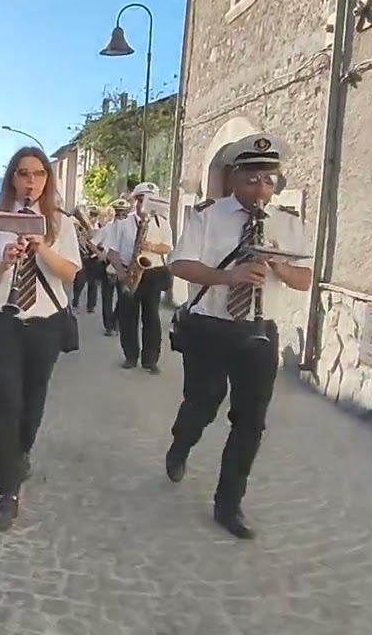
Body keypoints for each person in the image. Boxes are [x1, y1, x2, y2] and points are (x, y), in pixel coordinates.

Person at [163, 133, 311, 539]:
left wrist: (278, 264)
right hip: (211, 329)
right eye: (252, 180)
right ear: (235, 178)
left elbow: (304, 278)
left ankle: (229, 504)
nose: (261, 189)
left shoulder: (288, 224)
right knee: (203, 404)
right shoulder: (209, 217)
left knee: (250, 422)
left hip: (260, 332)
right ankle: (180, 446)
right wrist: (228, 277)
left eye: (269, 180)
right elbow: (180, 265)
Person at [0, 147, 82, 531]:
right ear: (12, 179)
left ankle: (22, 453)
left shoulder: (61, 224)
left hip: (45, 323)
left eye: (37, 173)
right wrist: (4, 260)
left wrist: (42, 250)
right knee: (7, 404)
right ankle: (8, 493)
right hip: (3, 321)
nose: (30, 181)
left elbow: (69, 274)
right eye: (22, 173)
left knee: (33, 403)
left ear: (46, 180)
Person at [105, 182, 174, 373]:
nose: (146, 204)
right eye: (142, 199)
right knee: (128, 317)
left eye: (150, 200)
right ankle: (130, 356)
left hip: (152, 273)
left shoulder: (162, 222)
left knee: (151, 316)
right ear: (136, 200)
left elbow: (168, 247)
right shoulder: (123, 223)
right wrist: (121, 273)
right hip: (129, 271)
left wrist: (149, 246)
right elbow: (112, 251)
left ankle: (150, 359)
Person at [91, 198, 133, 337]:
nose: (121, 216)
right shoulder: (106, 229)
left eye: (124, 213)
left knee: (123, 297)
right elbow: (92, 243)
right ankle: (109, 326)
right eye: (119, 213)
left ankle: (116, 321)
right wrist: (99, 254)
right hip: (108, 265)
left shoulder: (131, 228)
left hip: (124, 266)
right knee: (107, 297)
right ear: (115, 213)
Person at [70, 207, 102, 315]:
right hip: (83, 256)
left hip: (93, 258)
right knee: (80, 281)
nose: (93, 217)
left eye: (95, 215)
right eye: (91, 214)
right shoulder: (79, 226)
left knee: (93, 283)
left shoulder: (99, 227)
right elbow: (84, 240)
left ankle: (91, 306)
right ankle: (75, 302)